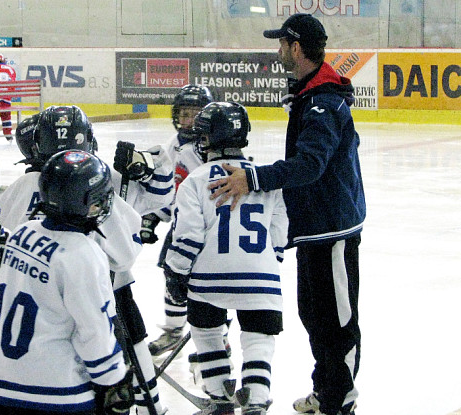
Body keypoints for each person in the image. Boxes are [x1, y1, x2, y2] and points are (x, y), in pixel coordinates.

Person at [207, 13, 366, 415]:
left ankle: (340, 401)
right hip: (315, 227)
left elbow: (310, 164)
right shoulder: (312, 94)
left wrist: (254, 177)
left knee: (336, 323)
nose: (278, 50)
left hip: (332, 229)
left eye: (281, 44)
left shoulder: (323, 101)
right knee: (314, 316)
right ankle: (327, 390)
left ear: (296, 48)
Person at [0, 106, 173, 415]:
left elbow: (4, 227)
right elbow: (131, 244)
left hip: (41, 299)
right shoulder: (99, 179)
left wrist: (141, 171)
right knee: (126, 354)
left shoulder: (28, 186)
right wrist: (145, 170)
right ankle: (151, 407)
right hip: (105, 291)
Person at [0, 149, 134, 415]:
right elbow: (93, 329)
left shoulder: (22, 233)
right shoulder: (83, 253)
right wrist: (113, 377)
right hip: (54, 389)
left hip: (0, 379)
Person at [165, 102, 287, 415]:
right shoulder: (264, 178)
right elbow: (278, 233)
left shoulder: (195, 179)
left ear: (205, 139)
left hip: (210, 278)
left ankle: (219, 394)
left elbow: (188, 236)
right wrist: (269, 262)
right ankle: (256, 396)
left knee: (206, 332)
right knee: (259, 337)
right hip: (261, 276)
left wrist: (176, 273)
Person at [143, 84, 215, 357]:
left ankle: (216, 337)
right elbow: (170, 189)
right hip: (181, 225)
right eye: (184, 114)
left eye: (195, 114)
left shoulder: (210, 145)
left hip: (209, 227)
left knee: (206, 283)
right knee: (172, 274)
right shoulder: (173, 146)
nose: (188, 121)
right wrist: (152, 217)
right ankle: (173, 329)